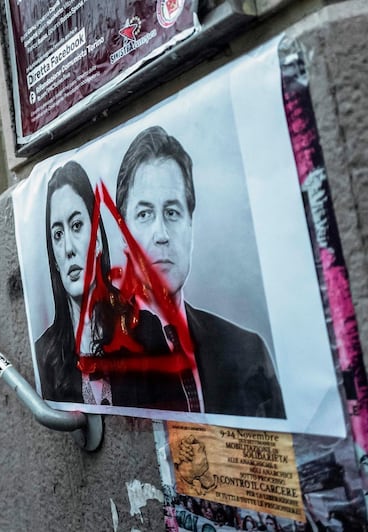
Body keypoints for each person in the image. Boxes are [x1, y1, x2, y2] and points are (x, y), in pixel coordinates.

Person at [114, 125, 285, 418]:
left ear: (190, 224)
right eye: (144, 214)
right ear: (123, 232)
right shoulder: (103, 358)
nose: (161, 234)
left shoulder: (247, 351)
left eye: (172, 212)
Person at [35, 161, 171, 406]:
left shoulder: (144, 331)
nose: (68, 249)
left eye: (77, 226)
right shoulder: (44, 353)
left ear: (97, 239)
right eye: (58, 234)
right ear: (53, 258)